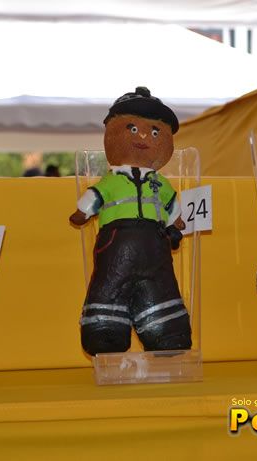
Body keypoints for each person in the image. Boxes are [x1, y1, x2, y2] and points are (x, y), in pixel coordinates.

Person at [69, 87, 191, 356]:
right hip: (116, 243)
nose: (144, 136)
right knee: (110, 282)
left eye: (155, 132)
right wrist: (82, 212)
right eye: (133, 129)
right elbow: (94, 197)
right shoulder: (111, 180)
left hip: (155, 246)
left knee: (160, 284)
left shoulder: (161, 183)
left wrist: (175, 224)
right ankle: (105, 329)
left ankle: (166, 330)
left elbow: (172, 206)